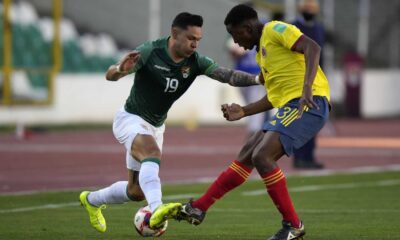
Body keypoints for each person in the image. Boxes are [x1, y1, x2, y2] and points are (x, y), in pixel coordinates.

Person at [78, 12, 261, 233]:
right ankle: (157, 210)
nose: (195, 44)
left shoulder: (196, 62)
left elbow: (228, 75)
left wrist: (259, 79)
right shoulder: (149, 52)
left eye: (198, 40)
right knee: (151, 153)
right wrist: (119, 70)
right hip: (131, 119)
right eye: (191, 38)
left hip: (156, 127)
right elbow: (110, 75)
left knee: (136, 192)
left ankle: (91, 200)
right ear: (175, 34)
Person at [177, 5, 330, 240]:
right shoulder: (261, 54)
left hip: (309, 102)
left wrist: (307, 86)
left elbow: (312, 47)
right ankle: (200, 206)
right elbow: (274, 96)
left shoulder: (276, 29)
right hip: (290, 104)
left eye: (236, 35)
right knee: (248, 153)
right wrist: (244, 111)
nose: (236, 42)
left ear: (248, 28)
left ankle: (293, 225)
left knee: (262, 156)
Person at [291, 0, 326, 169]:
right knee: (299, 120)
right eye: (308, 7)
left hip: (316, 82)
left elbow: (321, 56)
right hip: (298, 81)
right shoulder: (292, 27)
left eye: (313, 8)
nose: (310, 10)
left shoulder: (319, 28)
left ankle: (309, 156)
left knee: (313, 120)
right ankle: (299, 157)